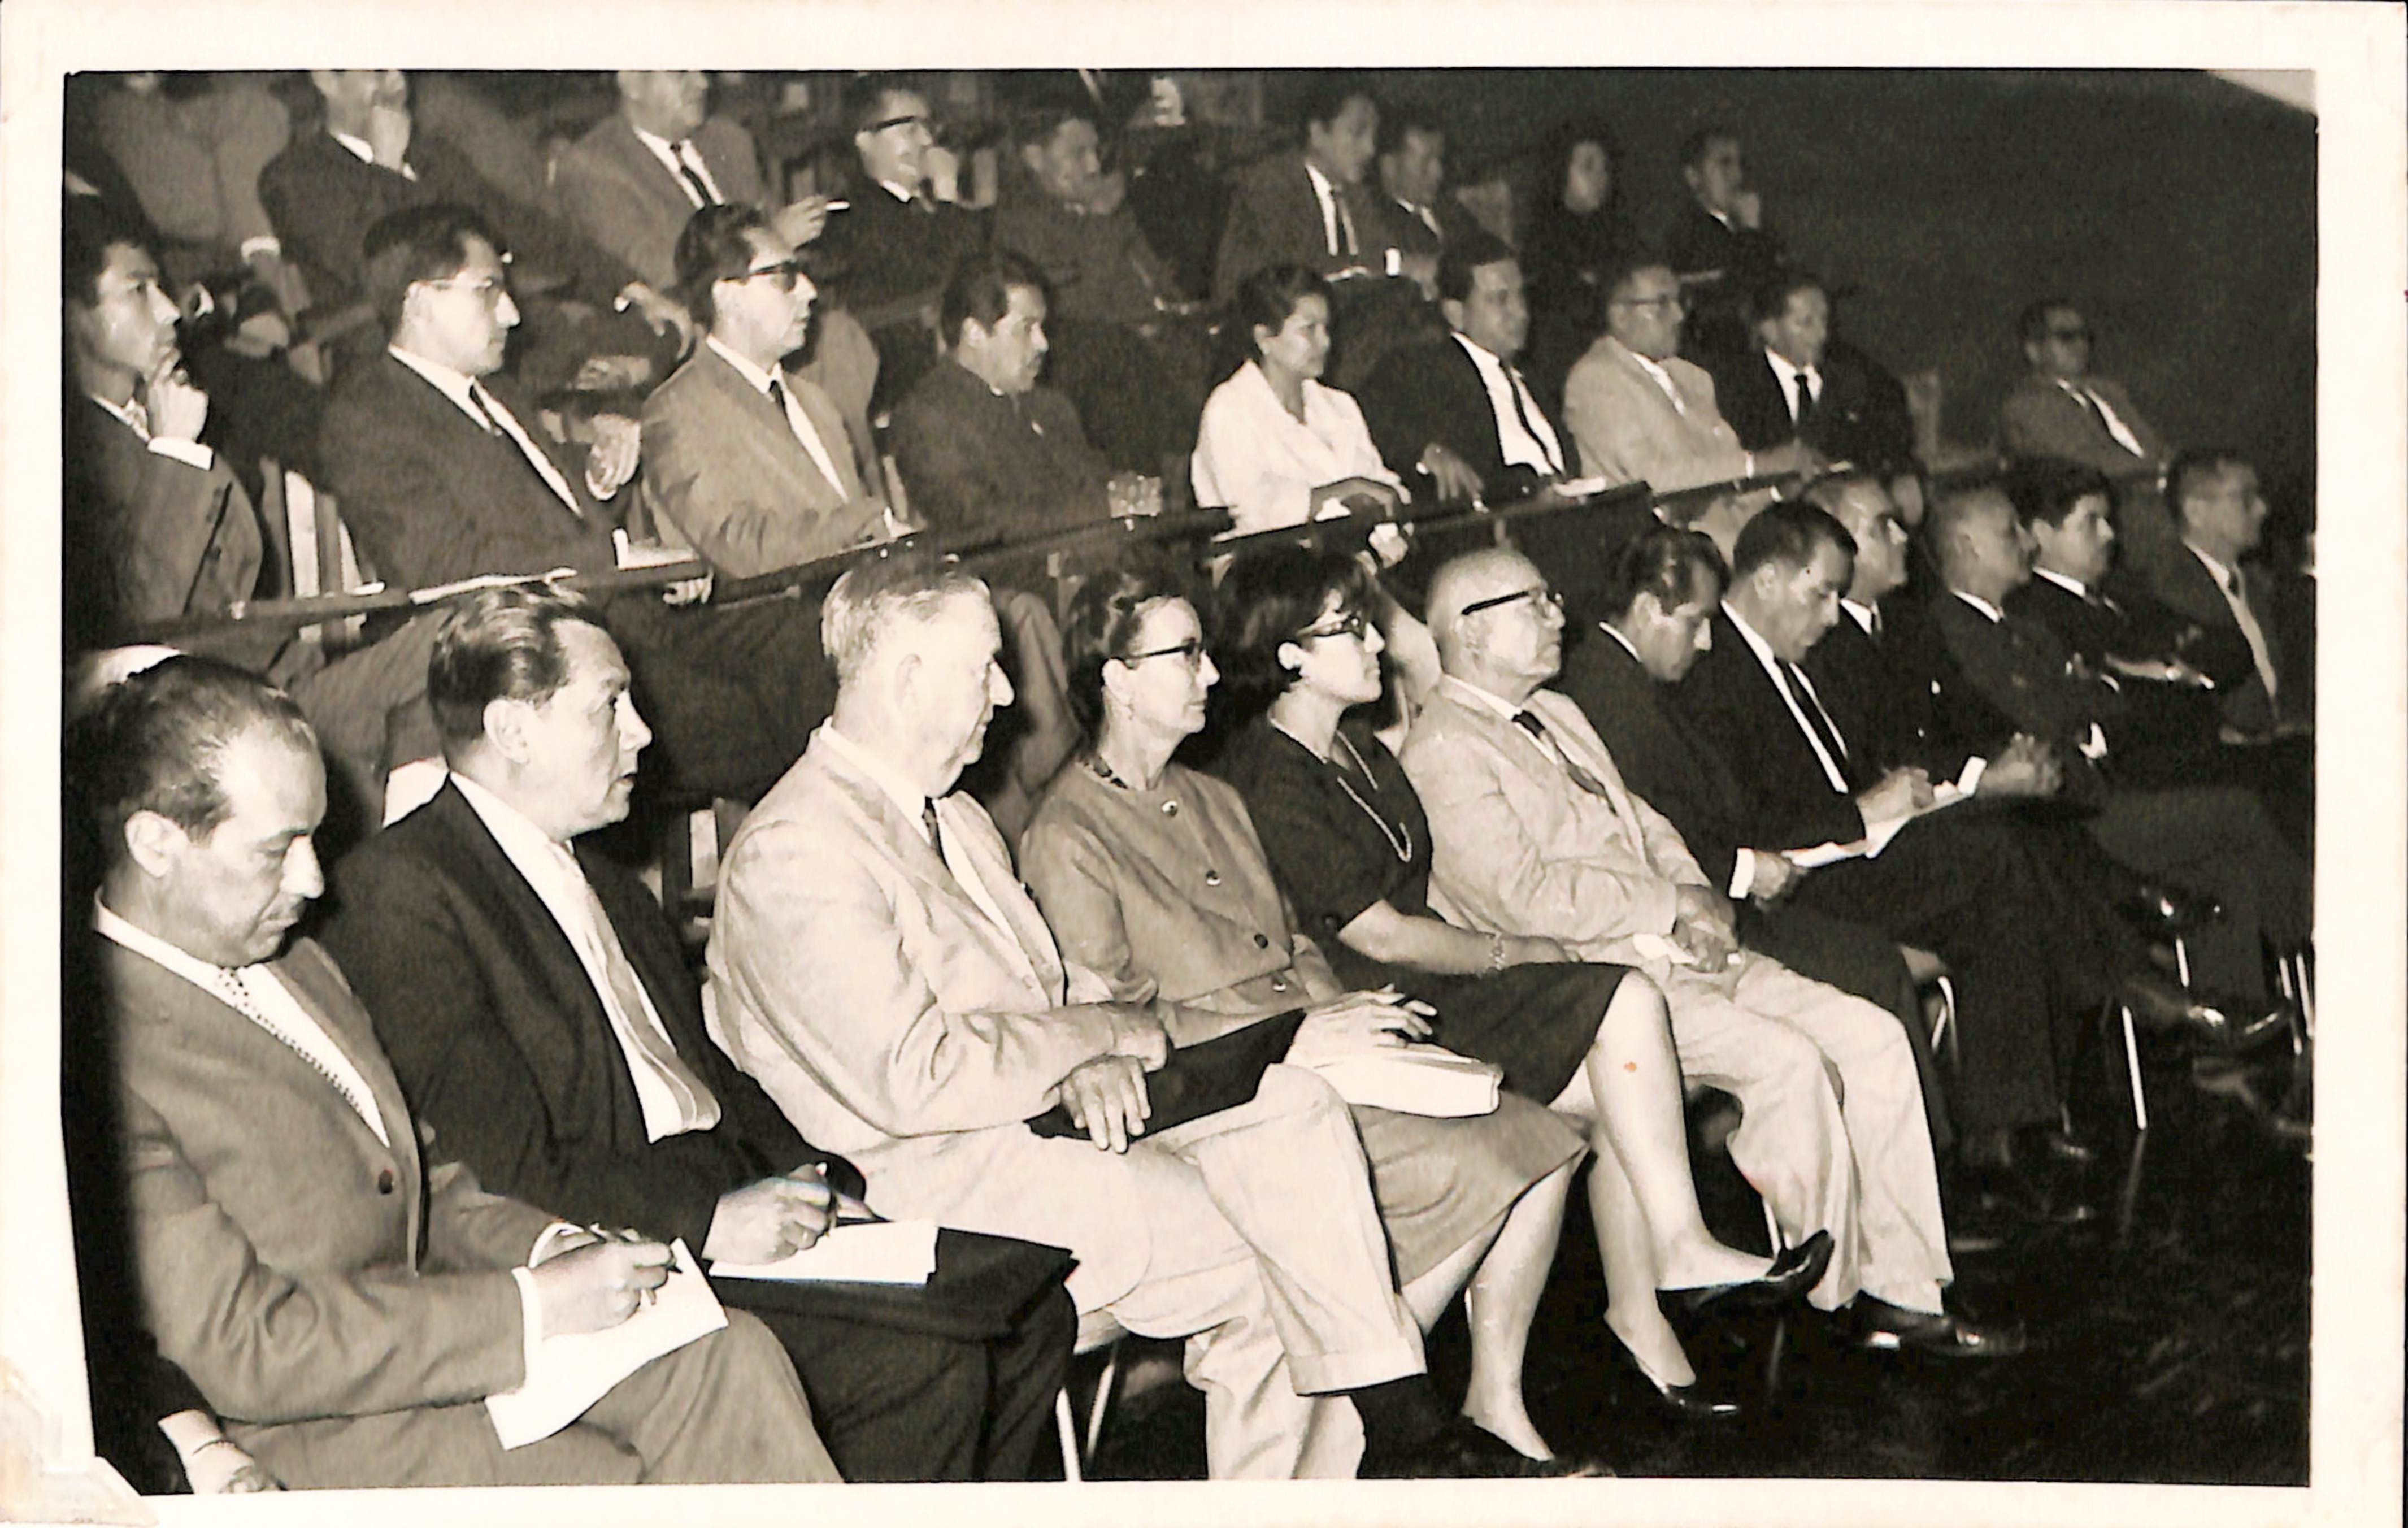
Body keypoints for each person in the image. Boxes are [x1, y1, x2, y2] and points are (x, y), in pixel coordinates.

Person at [704, 557, 1589, 1479]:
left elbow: (1049, 987)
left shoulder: (954, 817)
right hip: (937, 1182)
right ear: (907, 678)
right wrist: (1097, 1039)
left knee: (1292, 1108)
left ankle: (1395, 1429)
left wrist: (1093, 1039)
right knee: (1279, 1247)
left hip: (1052, 1121)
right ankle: (1394, 1437)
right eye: (985, 668)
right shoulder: (796, 849)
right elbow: (915, 1076)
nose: (1006, 694)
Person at [321, 588, 1073, 1481]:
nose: (642, 733)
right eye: (609, 705)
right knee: (926, 1367)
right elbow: (496, 1162)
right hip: (620, 1243)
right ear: (513, 729)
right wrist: (708, 1222)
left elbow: (709, 1075)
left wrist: (819, 1177)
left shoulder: (606, 881)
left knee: (1032, 1317)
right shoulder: (405, 891)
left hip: (730, 1198)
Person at [69, 654, 840, 1488]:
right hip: (309, 1429)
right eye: (275, 850)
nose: (314, 879)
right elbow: (247, 1346)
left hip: (438, 1358)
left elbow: (423, 1180)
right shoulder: (100, 1057)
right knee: (613, 1474)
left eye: (314, 838)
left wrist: (551, 1243)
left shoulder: (295, 966)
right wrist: (532, 1306)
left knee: (731, 1358)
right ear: (156, 843)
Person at [1212, 548, 1836, 1415]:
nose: (1376, 645)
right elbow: (1378, 932)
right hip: (1380, 1010)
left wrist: (1524, 949)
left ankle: (1599, 1343)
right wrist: (1520, 952)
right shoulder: (1273, 777)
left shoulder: (1354, 750)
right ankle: (1673, 1255)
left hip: (1433, 981)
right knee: (1621, 1004)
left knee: (1623, 1086)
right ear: (1288, 655)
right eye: (1349, 629)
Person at [1022, 566, 1601, 1460]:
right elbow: (1114, 1026)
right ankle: (1388, 1431)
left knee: (1535, 1139)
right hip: (1215, 1102)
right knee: (1487, 1157)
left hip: (1308, 1063)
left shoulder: (1213, 797)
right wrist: (1292, 1037)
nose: (1213, 674)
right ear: (1117, 679)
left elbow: (1291, 942)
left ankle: (1405, 1414)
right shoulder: (1067, 835)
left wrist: (1347, 1016)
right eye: (1185, 656)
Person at [1398, 546, 2013, 1357]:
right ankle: (1833, 1305)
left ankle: (1900, 1293)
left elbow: (1644, 823)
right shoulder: (1441, 750)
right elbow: (1521, 897)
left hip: (1680, 951)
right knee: (1789, 1063)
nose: (1557, 616)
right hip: (1597, 988)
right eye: (1534, 603)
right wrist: (1669, 905)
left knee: (1872, 1037)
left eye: (1552, 597)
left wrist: (1699, 898)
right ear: (1470, 633)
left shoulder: (1555, 712)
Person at [1672, 497, 2231, 1195]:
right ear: (1766, 580)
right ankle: (2128, 988)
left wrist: (1937, 785)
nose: (1831, 616)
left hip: (1862, 849)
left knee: (2004, 868)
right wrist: (1863, 808)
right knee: (1998, 855)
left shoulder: (1800, 657)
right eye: (1821, 595)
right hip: (1799, 885)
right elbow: (1746, 822)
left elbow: (1876, 754)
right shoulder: (1711, 676)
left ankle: (2008, 1131)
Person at [314, 202, 833, 804]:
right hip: (544, 659)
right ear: (420, 301)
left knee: (812, 639)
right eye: (488, 290)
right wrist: (618, 558)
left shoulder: (496, 393)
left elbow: (548, 516)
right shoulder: (369, 415)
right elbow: (448, 567)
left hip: (630, 622)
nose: (511, 313)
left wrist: (600, 486)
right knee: (782, 722)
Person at [1555, 525, 1953, 1153]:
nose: (1707, 641)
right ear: (1647, 609)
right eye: (1695, 622)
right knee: (1870, 968)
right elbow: (1649, 831)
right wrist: (1743, 869)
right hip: (1695, 915)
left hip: (1724, 889)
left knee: (1868, 958)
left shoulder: (1631, 682)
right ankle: (1917, 1173)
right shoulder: (1608, 696)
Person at [63, 201, 441, 834]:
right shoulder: (65, 453)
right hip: (204, 717)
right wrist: (175, 453)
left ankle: (406, 856)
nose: (169, 310)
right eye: (137, 290)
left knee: (458, 646)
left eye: (162, 287)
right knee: (446, 654)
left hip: (275, 679)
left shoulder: (160, 416)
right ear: (69, 314)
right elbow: (134, 613)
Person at [1922, 484, 2306, 1028]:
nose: (2027, 543)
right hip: (2069, 818)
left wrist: (2089, 704)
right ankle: (2325, 939)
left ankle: (2231, 1044)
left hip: (2095, 789)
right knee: (2237, 813)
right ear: (1968, 547)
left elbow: (2099, 699)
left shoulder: (2018, 626)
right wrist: (2088, 703)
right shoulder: (1953, 632)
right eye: (2010, 533)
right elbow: (2044, 718)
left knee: (2225, 866)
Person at [258, 70, 680, 388]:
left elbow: (523, 228)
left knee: (662, 340)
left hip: (507, 335)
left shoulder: (432, 156)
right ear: (326, 79)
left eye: (400, 67)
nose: (398, 83)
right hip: (400, 368)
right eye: (379, 71)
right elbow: (377, 272)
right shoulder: (296, 177)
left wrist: (631, 289)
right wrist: (385, 167)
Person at [553, 71, 877, 442]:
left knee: (839, 336)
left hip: (767, 318)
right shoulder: (593, 166)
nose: (703, 83)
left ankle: (841, 470)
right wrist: (774, 238)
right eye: (682, 73)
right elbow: (660, 274)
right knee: (832, 344)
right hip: (690, 334)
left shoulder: (729, 141)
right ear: (631, 81)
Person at [639, 202, 893, 579]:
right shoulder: (677, 409)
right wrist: (865, 523)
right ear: (728, 297)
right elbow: (740, 545)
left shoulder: (815, 400)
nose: (808, 291)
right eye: (785, 277)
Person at [991, 95, 1207, 475]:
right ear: (1034, 157)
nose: (1093, 166)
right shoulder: (1022, 224)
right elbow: (1078, 311)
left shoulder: (1107, 207)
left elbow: (1157, 282)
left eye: (1096, 151)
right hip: (1098, 370)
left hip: (1162, 349)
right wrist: (1098, 220)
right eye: (1077, 154)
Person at [889, 251, 1134, 548]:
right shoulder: (927, 419)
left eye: (1042, 328)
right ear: (975, 333)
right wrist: (1104, 508)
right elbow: (977, 522)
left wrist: (1128, 492)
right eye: (1026, 329)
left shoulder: (1052, 408)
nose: (1043, 344)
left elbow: (1097, 481)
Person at [1211, 75, 1432, 387]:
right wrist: (1396, 265)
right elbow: (1302, 275)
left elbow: (1375, 265)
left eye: (1373, 135)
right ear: (1317, 133)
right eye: (1357, 133)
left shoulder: (1358, 196)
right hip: (1271, 351)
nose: (1370, 149)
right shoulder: (1272, 184)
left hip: (1341, 348)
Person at [1560, 257, 1821, 494]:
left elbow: (1729, 469)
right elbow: (1648, 479)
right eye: (1662, 304)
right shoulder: (1596, 380)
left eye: (1680, 301)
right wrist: (1756, 466)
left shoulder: (1693, 378)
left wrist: (1779, 492)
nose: (1679, 316)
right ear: (1620, 316)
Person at [1356, 228, 1575, 509]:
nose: (1521, 312)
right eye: (1500, 299)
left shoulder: (1535, 375)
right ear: (1455, 313)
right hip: (1503, 521)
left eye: (1521, 295)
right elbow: (1368, 413)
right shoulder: (1424, 369)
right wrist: (1426, 451)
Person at [814, 77, 988, 413]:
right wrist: (947, 189)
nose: (928, 141)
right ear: (865, 140)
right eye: (910, 129)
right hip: (905, 392)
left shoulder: (933, 210)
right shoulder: (847, 218)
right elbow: (944, 280)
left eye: (928, 128)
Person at [1192, 263, 1404, 535]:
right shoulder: (1229, 409)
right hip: (1267, 557)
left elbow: (1382, 483)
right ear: (1264, 338)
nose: (1325, 342)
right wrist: (1346, 491)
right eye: (1309, 329)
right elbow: (1253, 509)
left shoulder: (1340, 406)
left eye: (1326, 328)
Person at [2133, 449, 2312, 743]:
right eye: (2246, 498)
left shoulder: (2262, 587)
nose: (2262, 509)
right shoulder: (2162, 591)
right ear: (2196, 512)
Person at [1997, 299, 2178, 579]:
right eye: (2066, 337)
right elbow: (2091, 465)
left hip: (2156, 493)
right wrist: (2164, 473)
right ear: (2034, 350)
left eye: (2085, 336)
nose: (2080, 345)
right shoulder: (2027, 406)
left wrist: (2178, 470)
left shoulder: (2109, 392)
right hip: (2115, 509)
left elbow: (2151, 445)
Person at [1706, 270, 1915, 479]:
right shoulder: (1736, 388)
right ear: (1770, 330)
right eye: (1806, 323)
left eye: (1824, 320)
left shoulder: (1854, 373)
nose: (1822, 334)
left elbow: (1892, 442)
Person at [1518, 120, 1640, 418]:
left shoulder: (1620, 231)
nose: (1599, 178)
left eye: (1604, 169)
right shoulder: (1543, 237)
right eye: (1587, 167)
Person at [1662, 127, 1786, 359]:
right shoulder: (1687, 235)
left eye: (1740, 165)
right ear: (1693, 176)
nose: (1737, 176)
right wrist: (1751, 234)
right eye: (1724, 164)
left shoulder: (1757, 227)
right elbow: (1742, 288)